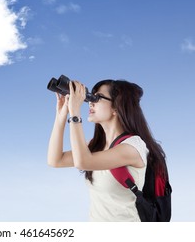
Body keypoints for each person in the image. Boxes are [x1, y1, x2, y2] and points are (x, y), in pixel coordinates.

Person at [47, 78, 168, 221]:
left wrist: (75, 114)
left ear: (116, 108)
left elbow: (83, 162)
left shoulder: (133, 147)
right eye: (91, 97)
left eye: (97, 98)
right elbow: (56, 160)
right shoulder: (97, 145)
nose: (90, 102)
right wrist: (61, 115)